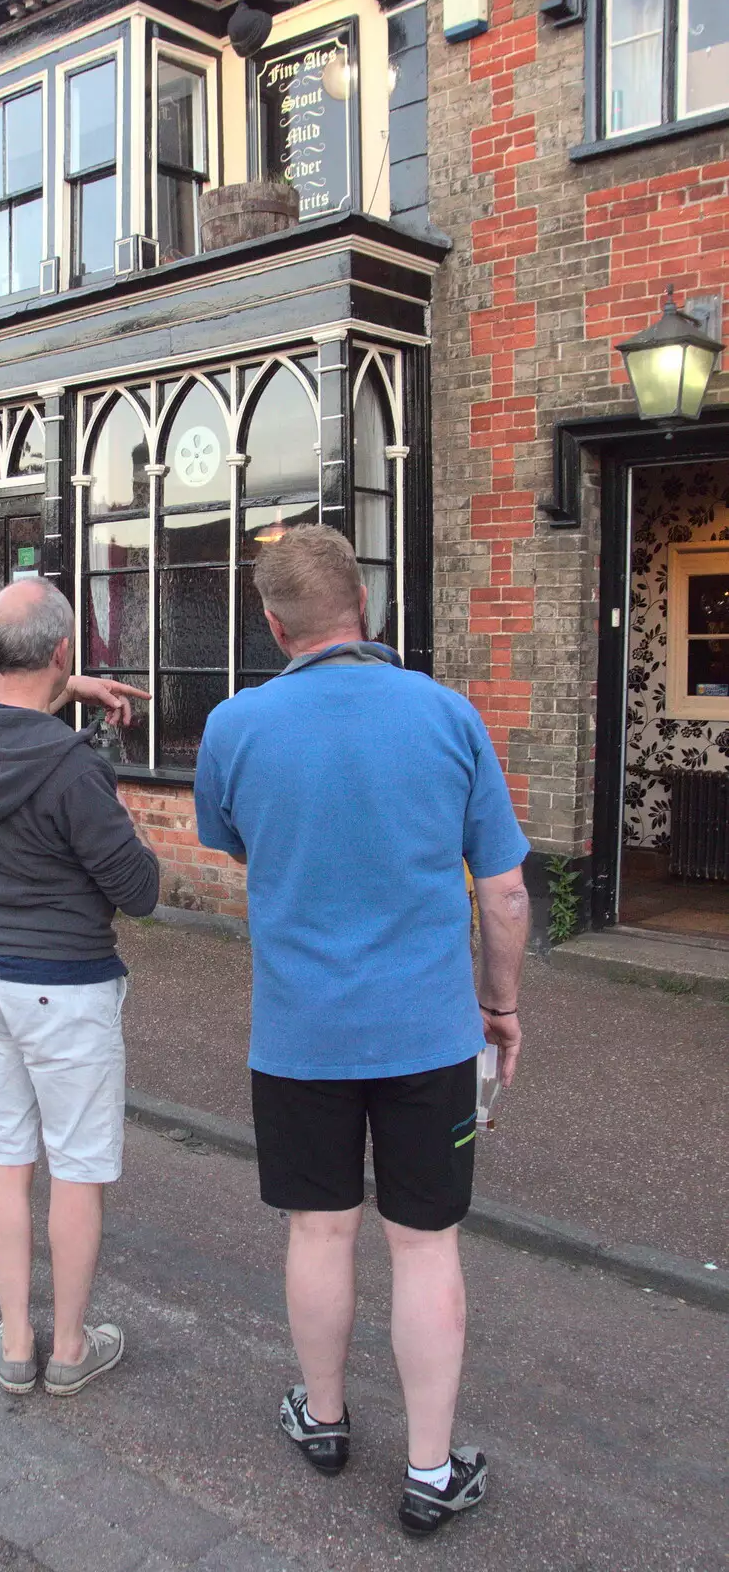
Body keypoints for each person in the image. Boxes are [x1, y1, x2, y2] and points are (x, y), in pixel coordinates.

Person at [193, 525, 529, 1537]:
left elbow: (237, 846)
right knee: (425, 1246)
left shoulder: (233, 727)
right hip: (427, 1035)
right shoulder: (446, 714)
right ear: (364, 609)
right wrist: (500, 1005)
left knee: (320, 1229)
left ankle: (325, 1417)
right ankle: (431, 1470)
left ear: (271, 622)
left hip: (299, 1034)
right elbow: (504, 891)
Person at [0, 577, 158, 1398]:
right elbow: (138, 890)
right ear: (62, 650)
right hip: (64, 986)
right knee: (76, 1169)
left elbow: (3, 697)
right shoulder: (71, 768)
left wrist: (68, 685)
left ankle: (15, 1342)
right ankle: (68, 1349)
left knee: (5, 1161)